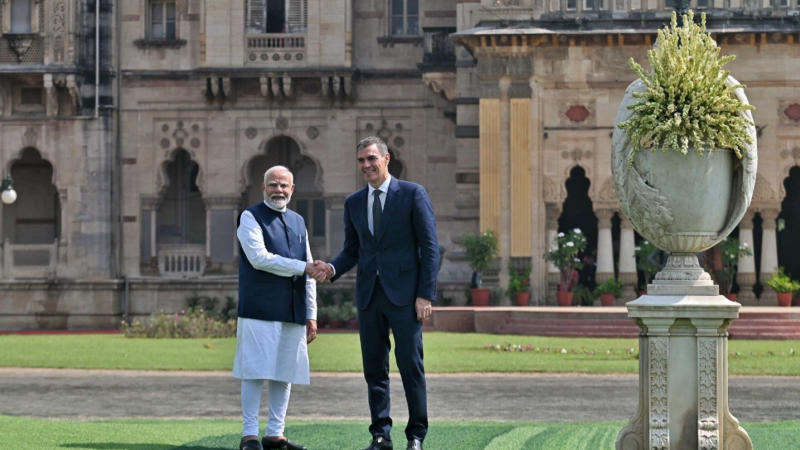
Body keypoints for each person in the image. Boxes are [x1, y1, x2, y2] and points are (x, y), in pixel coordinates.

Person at [316, 136, 440, 450]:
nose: (367, 165)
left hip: (405, 297)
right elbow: (352, 251)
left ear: (386, 158)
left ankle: (416, 436)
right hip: (369, 296)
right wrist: (331, 269)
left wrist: (425, 294)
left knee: (410, 365)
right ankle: (381, 434)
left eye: (372, 158)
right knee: (374, 368)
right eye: (361, 161)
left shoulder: (412, 194)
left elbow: (430, 248)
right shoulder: (353, 202)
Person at [233, 165, 329, 450]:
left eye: (284, 186)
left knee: (285, 372)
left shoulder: (299, 222)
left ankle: (275, 434)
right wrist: (302, 267)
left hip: (293, 309)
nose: (279, 190)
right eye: (273, 185)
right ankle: (249, 435)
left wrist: (311, 314)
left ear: (292, 189)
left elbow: (309, 273)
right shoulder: (251, 217)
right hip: (259, 308)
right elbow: (260, 258)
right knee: (254, 371)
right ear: (264, 188)